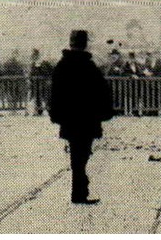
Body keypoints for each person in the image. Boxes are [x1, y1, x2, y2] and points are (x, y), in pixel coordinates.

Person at [48, 29, 114, 205]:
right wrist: (104, 113)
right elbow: (103, 92)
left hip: (69, 120)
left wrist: (57, 115)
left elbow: (54, 94)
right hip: (87, 120)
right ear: (85, 44)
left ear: (70, 43)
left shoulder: (61, 66)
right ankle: (79, 192)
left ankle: (80, 190)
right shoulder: (90, 67)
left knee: (77, 156)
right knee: (82, 156)